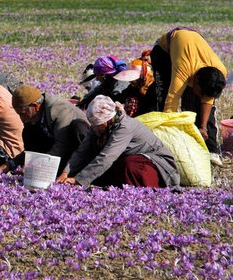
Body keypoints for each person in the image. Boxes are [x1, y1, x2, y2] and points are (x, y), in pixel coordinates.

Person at [57, 95, 180, 188]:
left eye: (96, 125)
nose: (93, 128)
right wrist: (65, 173)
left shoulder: (124, 126)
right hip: (124, 161)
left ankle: (143, 193)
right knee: (91, 158)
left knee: (130, 164)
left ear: (107, 121)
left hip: (156, 164)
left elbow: (106, 158)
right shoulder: (99, 128)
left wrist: (78, 180)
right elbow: (82, 151)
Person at [149, 27, 227, 166]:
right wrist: (170, 134)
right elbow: (171, 104)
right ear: (195, 81)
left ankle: (211, 150)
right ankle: (159, 145)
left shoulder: (219, 71)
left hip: (191, 46)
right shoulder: (182, 70)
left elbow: (208, 99)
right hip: (164, 52)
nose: (201, 96)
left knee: (196, 105)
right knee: (161, 99)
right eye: (200, 92)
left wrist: (203, 127)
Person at [12, 85, 90, 176]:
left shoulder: (58, 109)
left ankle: (73, 174)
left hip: (74, 149)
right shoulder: (34, 116)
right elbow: (31, 149)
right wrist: (12, 164)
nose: (22, 119)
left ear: (35, 106)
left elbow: (61, 145)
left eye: (23, 114)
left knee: (78, 127)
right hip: (56, 151)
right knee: (28, 131)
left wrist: (36, 166)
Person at [114, 51, 156, 117]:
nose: (131, 82)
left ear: (143, 77)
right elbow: (122, 96)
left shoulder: (153, 88)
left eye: (133, 80)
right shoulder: (134, 87)